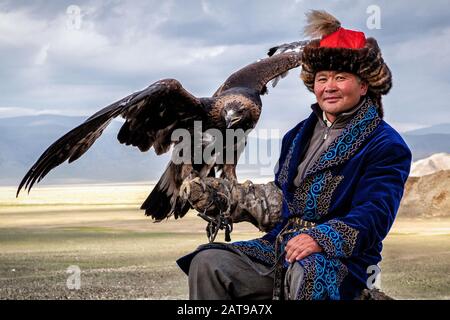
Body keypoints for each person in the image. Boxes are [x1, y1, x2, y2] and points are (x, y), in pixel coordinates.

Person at [176, 10, 412, 300]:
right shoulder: (296, 136)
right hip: (280, 248)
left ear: (364, 85)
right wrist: (230, 199)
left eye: (341, 77)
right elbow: (284, 200)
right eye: (322, 78)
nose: (329, 87)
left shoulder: (385, 145)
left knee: (306, 272)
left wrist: (319, 238)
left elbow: (375, 214)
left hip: (342, 262)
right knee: (209, 263)